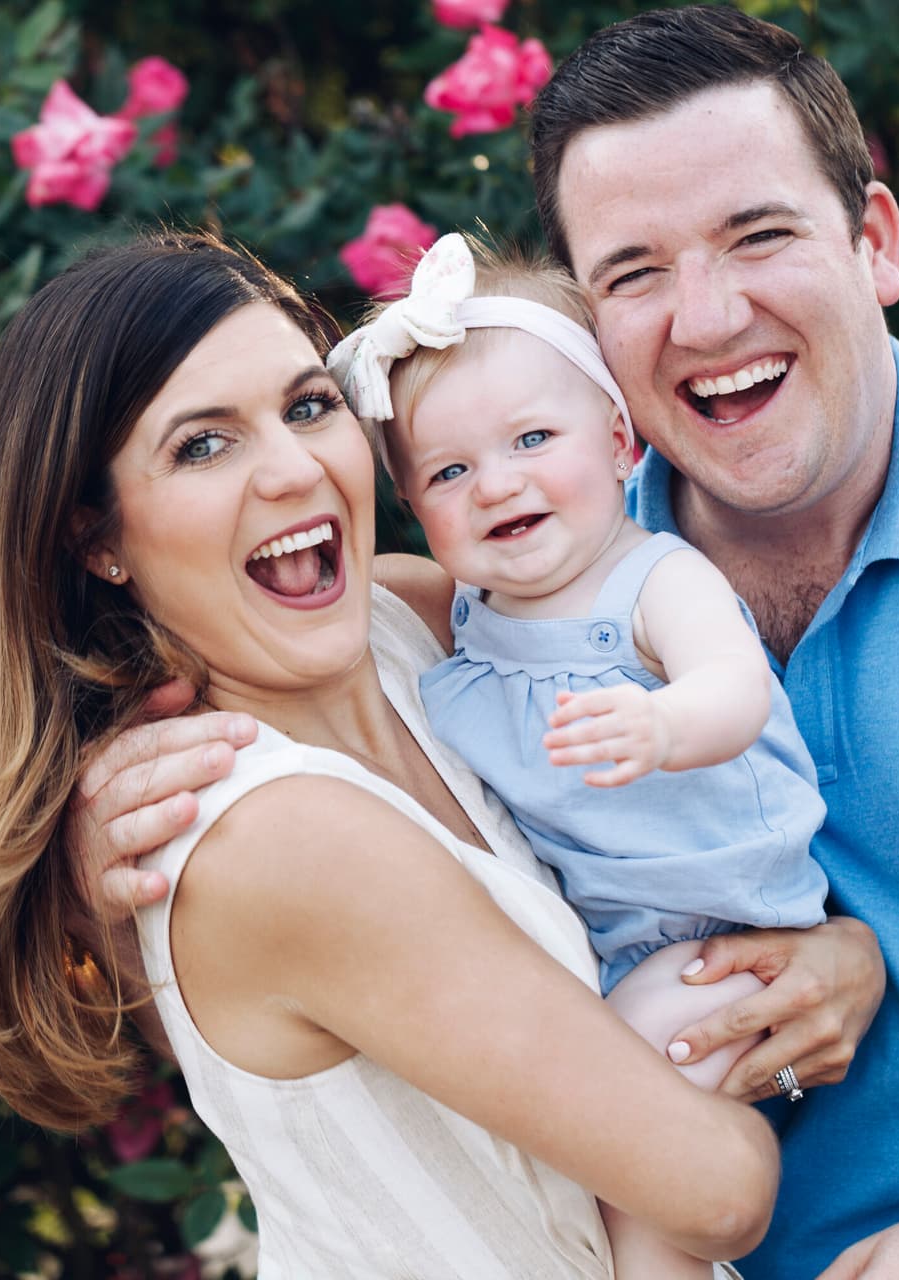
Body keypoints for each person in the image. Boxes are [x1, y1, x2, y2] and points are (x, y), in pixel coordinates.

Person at [82, 7, 899, 1279]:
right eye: (636, 272)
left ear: (874, 241)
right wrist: (92, 817)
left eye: (756, 235)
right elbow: (271, 624)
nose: (704, 318)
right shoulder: (531, 574)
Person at [0, 231, 886, 1278]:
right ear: (99, 538)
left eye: (309, 406)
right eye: (202, 445)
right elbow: (717, 1188)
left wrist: (835, 960)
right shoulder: (279, 834)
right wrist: (734, 1018)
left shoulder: (412, 622)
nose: (291, 467)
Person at [328, 229, 832, 1279]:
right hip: (610, 938)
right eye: (450, 470)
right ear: (418, 510)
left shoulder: (651, 579)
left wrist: (663, 724)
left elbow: (735, 688)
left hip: (719, 924)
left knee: (640, 1143)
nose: (496, 484)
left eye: (531, 439)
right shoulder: (467, 615)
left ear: (619, 440)